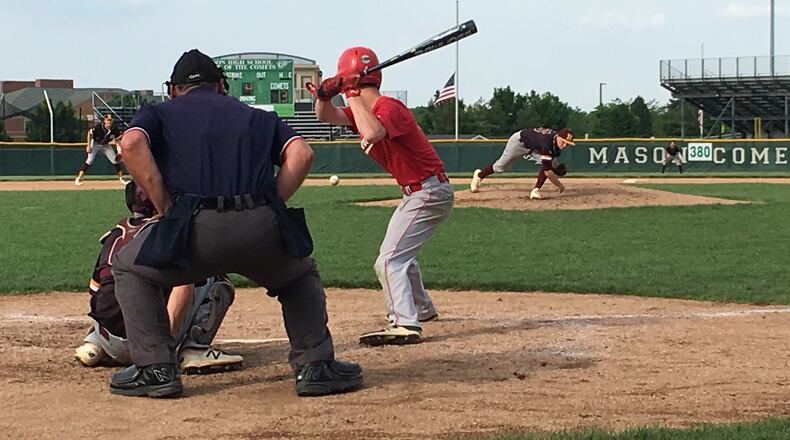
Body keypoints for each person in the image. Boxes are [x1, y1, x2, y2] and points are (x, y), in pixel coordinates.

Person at [110, 49, 362, 398]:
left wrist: (166, 206)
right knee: (299, 275)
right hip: (260, 226)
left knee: (128, 266)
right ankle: (315, 365)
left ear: (173, 90)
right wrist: (271, 204)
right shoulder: (256, 115)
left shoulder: (159, 112)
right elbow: (302, 154)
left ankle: (155, 369)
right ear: (221, 86)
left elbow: (132, 143)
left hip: (192, 229)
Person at [312, 47, 454, 346]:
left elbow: (373, 132)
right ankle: (423, 309)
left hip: (427, 190)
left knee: (389, 260)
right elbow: (326, 116)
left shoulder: (389, 107)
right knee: (401, 254)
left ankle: (404, 323)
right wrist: (325, 95)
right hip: (421, 191)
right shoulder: (361, 111)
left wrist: (348, 90)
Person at [74, 180, 242, 374]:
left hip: (108, 339)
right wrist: (159, 347)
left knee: (118, 289)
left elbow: (95, 292)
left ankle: (94, 344)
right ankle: (195, 349)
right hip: (148, 347)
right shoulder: (169, 235)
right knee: (217, 279)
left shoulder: (114, 235)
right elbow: (183, 289)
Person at [470, 127, 575, 200]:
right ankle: (479, 176)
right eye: (564, 141)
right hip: (519, 142)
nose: (565, 145)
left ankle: (536, 190)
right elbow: (548, 172)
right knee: (501, 166)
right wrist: (560, 186)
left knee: (550, 163)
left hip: (534, 147)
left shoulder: (554, 144)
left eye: (568, 143)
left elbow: (546, 165)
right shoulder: (547, 143)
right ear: (558, 136)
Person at [75, 113, 126, 186]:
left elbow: (117, 140)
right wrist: (88, 145)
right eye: (108, 120)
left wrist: (119, 150)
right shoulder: (98, 127)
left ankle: (121, 179)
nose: (110, 121)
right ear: (104, 120)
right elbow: (89, 133)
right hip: (95, 144)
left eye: (111, 120)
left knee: (115, 161)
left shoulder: (114, 129)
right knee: (89, 161)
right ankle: (78, 179)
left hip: (105, 145)